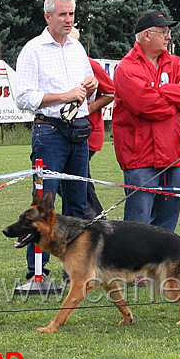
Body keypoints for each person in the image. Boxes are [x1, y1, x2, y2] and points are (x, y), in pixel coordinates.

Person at [14, 0, 97, 282]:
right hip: (49, 132)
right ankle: (37, 271)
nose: (68, 19)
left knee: (77, 204)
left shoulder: (76, 48)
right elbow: (22, 97)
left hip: (78, 130)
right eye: (62, 14)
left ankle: (74, 270)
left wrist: (91, 84)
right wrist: (64, 95)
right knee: (43, 204)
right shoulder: (33, 50)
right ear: (47, 16)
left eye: (72, 14)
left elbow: (89, 90)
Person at [112, 10, 180, 233]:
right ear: (146, 35)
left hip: (172, 155)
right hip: (140, 156)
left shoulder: (176, 63)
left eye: (168, 32)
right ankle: (135, 267)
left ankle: (162, 267)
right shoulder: (126, 68)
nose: (168, 36)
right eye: (163, 32)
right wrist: (175, 99)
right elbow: (146, 105)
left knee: (167, 221)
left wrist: (161, 90)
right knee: (139, 224)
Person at [68, 27, 115, 220]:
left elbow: (110, 92)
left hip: (87, 133)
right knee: (71, 183)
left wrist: (87, 108)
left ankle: (97, 222)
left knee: (77, 184)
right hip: (66, 133)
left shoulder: (88, 64)